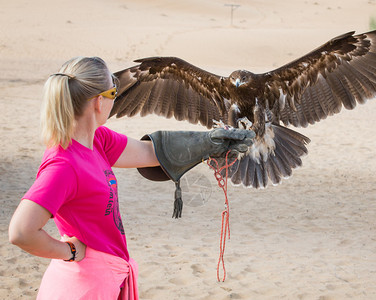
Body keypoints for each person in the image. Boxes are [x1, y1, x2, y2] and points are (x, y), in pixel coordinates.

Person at [8, 56, 254, 299]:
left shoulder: (98, 141)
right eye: (113, 94)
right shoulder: (64, 164)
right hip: (82, 286)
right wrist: (68, 250)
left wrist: (210, 143)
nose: (114, 102)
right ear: (97, 102)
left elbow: (150, 152)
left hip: (105, 280)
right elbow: (21, 231)